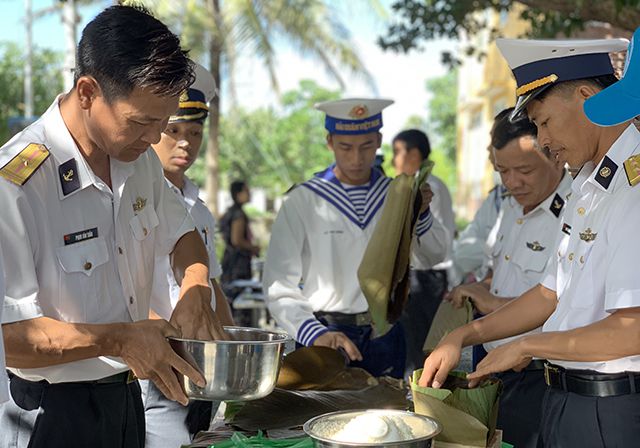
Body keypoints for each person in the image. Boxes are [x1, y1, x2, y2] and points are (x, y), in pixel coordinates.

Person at [0, 5, 226, 447]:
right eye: (142, 122)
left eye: (164, 121)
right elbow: (12, 339)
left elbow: (181, 233)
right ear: (87, 91)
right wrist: (121, 339)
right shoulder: (18, 185)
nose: (156, 138)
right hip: (47, 414)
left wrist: (196, 287)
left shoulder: (138, 162)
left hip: (125, 404)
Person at [419, 37, 640, 447]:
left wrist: (526, 345)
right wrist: (463, 336)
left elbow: (633, 329)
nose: (542, 140)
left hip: (611, 408)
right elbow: (548, 294)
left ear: (587, 97)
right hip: (566, 400)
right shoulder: (589, 186)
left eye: (543, 121)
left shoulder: (633, 187)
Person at [263, 98, 449, 379]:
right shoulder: (304, 199)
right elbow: (278, 283)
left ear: (378, 141)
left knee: (388, 419)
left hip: (384, 333)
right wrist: (314, 333)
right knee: (320, 421)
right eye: (345, 147)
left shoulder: (397, 194)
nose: (356, 159)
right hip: (324, 334)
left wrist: (421, 215)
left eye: (366, 146)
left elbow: (432, 256)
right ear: (329, 142)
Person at [446, 108, 571, 447]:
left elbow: (570, 304)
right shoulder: (509, 205)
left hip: (538, 378)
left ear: (556, 156)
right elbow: (507, 275)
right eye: (503, 171)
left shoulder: (576, 211)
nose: (513, 182)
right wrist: (480, 289)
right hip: (492, 369)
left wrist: (495, 304)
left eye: (524, 170)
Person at [141, 61, 235, 448]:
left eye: (194, 132)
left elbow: (211, 284)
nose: (185, 143)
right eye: (173, 130)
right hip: (155, 363)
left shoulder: (198, 206)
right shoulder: (134, 197)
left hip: (203, 365)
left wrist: (232, 347)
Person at [391, 129, 455, 375]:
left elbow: (425, 243)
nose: (393, 160)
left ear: (414, 154)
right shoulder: (423, 183)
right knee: (413, 343)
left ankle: (416, 397)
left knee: (418, 346)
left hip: (425, 276)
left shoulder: (426, 187)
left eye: (397, 152)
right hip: (423, 276)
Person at [221, 180, 260, 286]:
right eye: (246, 191)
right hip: (237, 264)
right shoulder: (238, 214)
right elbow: (236, 240)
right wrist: (253, 248)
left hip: (230, 260)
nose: (249, 193)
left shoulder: (231, 212)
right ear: (238, 194)